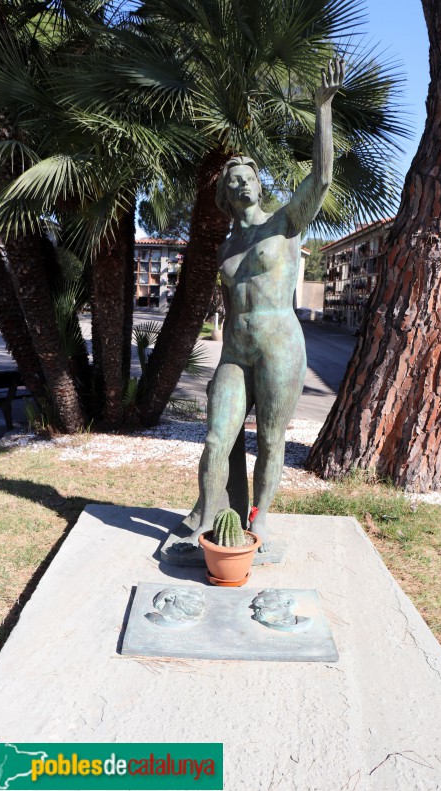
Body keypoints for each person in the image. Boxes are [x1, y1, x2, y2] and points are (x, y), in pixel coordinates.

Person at [173, 59, 343, 554]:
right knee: (214, 440)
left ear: (259, 185)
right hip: (234, 352)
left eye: (249, 177)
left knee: (270, 441)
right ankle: (208, 518)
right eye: (234, 180)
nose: (242, 183)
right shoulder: (226, 245)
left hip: (279, 346)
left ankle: (261, 518)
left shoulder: (286, 224)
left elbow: (324, 178)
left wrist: (323, 110)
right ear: (225, 193)